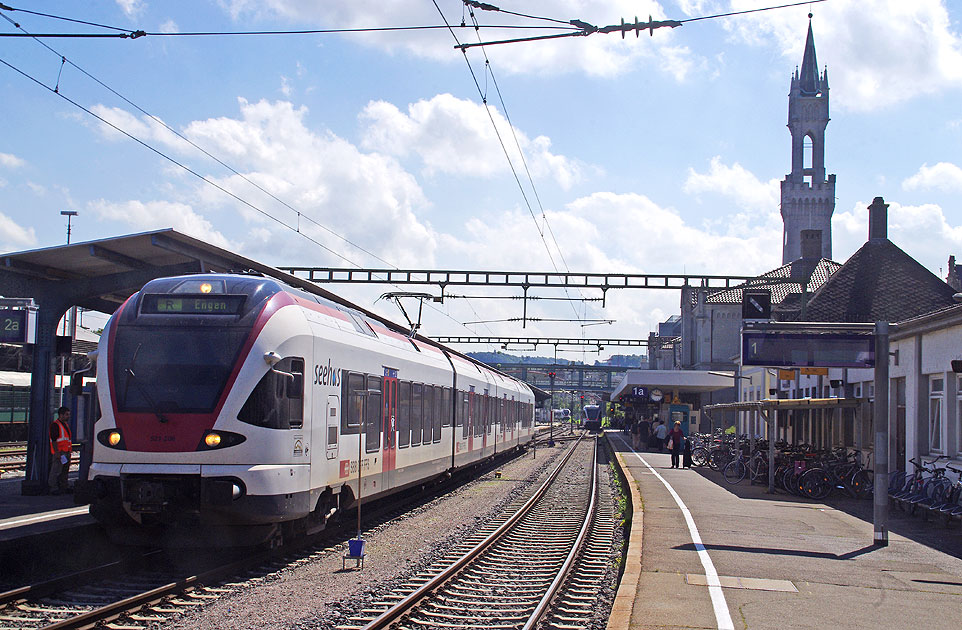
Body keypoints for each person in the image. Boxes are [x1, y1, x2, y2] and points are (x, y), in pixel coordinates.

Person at [48, 406, 73, 494]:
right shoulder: (55, 425)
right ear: (60, 415)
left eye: (69, 414)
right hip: (60, 452)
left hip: (66, 452)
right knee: (56, 470)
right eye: (66, 414)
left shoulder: (65, 425)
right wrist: (57, 452)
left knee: (64, 471)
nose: (68, 416)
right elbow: (54, 440)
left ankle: (64, 487)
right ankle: (53, 488)